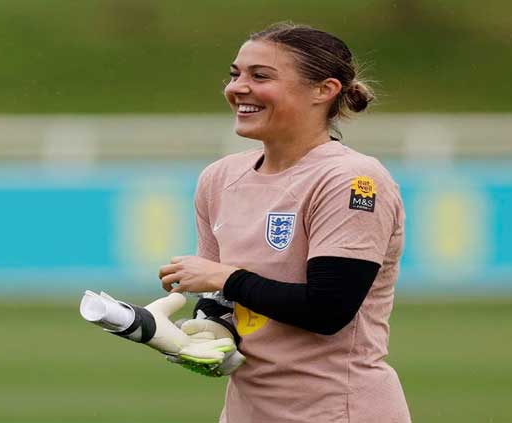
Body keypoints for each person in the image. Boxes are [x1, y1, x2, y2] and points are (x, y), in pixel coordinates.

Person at [158, 22, 411, 423]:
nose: (238, 87)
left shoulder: (351, 180)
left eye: (261, 76)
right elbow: (222, 300)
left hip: (336, 411)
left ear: (323, 91)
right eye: (235, 74)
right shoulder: (219, 178)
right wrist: (209, 332)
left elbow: (328, 309)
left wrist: (225, 278)